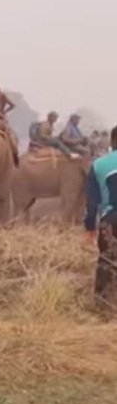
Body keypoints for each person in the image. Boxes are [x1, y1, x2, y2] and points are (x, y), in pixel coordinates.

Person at [84, 126, 117, 315]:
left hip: (110, 221)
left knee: (106, 262)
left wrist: (90, 226)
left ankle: (103, 308)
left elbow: (92, 202)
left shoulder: (99, 164)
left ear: (112, 142)